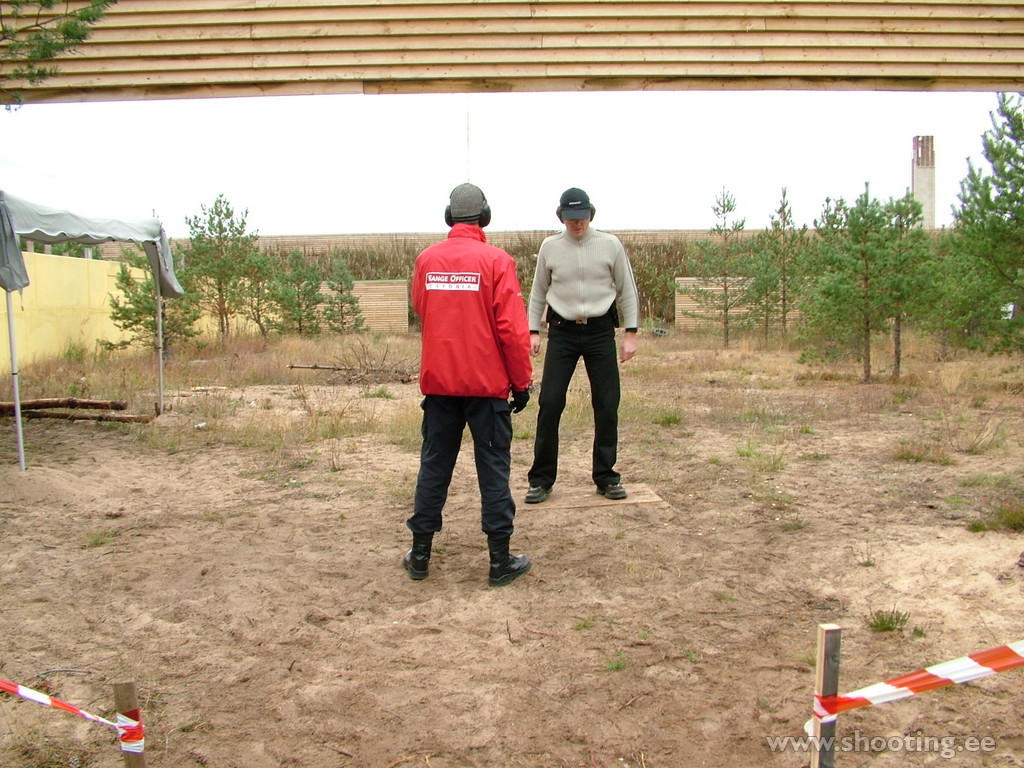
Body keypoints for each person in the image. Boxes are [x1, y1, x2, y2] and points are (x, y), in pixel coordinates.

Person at [405, 183, 534, 587]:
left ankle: (421, 555)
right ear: (485, 216)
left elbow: (420, 308)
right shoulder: (497, 262)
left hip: (440, 387)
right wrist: (522, 382)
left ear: (450, 217)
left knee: (434, 466)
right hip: (486, 389)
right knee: (493, 469)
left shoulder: (427, 260)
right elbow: (512, 331)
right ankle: (499, 562)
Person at [525, 187, 640, 504]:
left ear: (591, 215)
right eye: (571, 218)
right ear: (562, 217)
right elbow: (538, 292)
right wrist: (532, 330)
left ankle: (606, 477)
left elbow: (626, 289)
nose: (578, 224)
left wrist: (630, 333)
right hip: (561, 330)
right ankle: (541, 480)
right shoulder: (550, 247)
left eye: (583, 217)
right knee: (550, 402)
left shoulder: (609, 244)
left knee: (606, 403)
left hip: (600, 330)